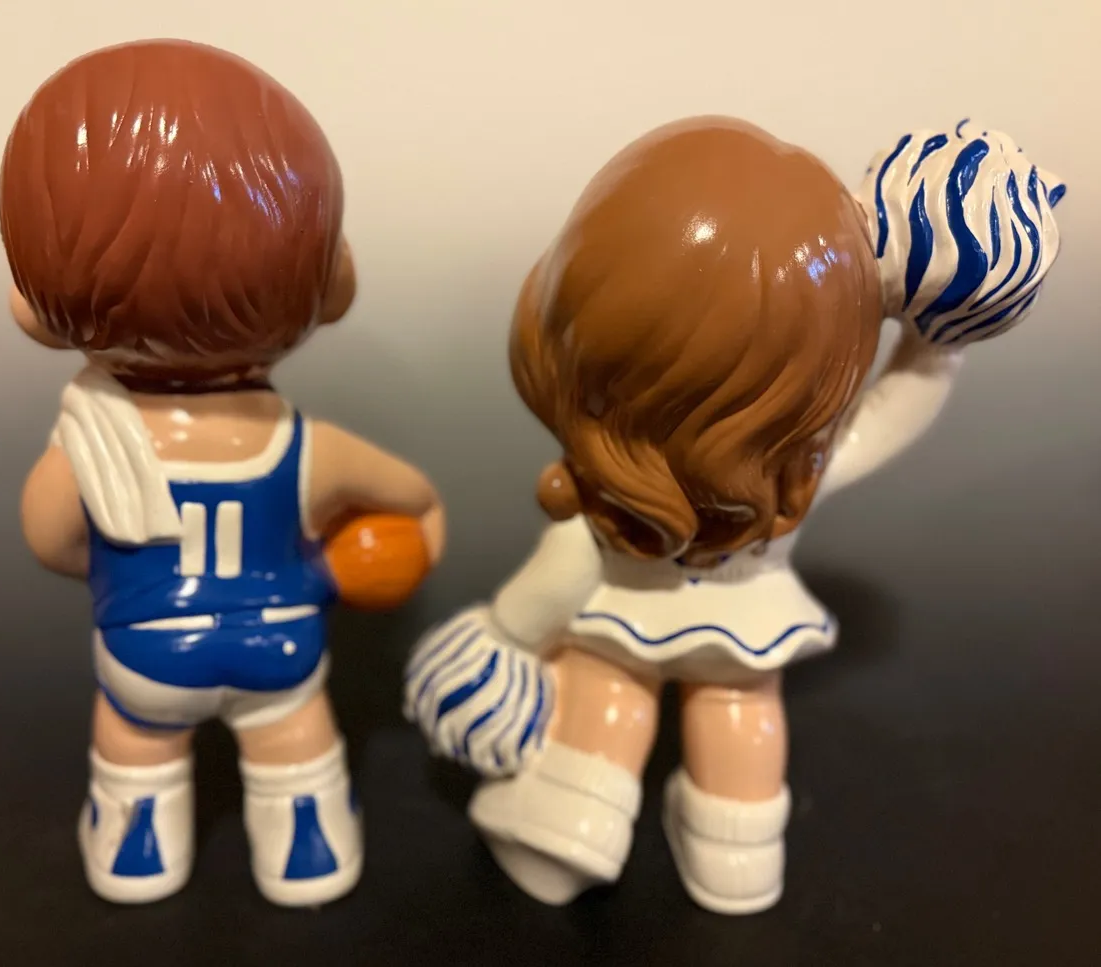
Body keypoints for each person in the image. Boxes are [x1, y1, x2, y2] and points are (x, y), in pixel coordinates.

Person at [405, 116, 1064, 914]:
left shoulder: (608, 499)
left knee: (608, 693)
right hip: (747, 622)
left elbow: (550, 584)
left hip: (622, 614)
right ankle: (736, 855)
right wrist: (934, 337)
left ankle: (565, 822)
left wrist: (506, 636)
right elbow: (892, 413)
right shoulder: (792, 472)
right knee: (740, 716)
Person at [3, 39, 445, 907]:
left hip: (145, 654)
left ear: (38, 308)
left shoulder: (85, 441)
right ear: (329, 286)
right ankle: (308, 843)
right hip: (282, 644)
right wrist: (364, 565)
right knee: (294, 740)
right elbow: (417, 503)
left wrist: (123, 568)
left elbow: (50, 541)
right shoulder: (306, 444)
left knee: (135, 742)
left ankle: (135, 845)